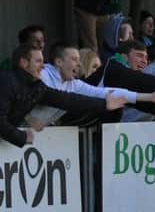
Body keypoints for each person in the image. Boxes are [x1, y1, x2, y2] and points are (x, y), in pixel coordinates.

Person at [0, 44, 128, 147]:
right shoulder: (6, 81)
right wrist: (22, 137)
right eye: (38, 61)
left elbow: (68, 100)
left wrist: (104, 104)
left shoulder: (37, 87)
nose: (43, 65)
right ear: (24, 63)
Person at [27, 43, 155, 127]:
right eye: (74, 59)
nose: (79, 64)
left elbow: (107, 92)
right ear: (58, 62)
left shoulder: (74, 84)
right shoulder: (43, 75)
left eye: (79, 60)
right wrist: (28, 119)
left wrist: (149, 97)